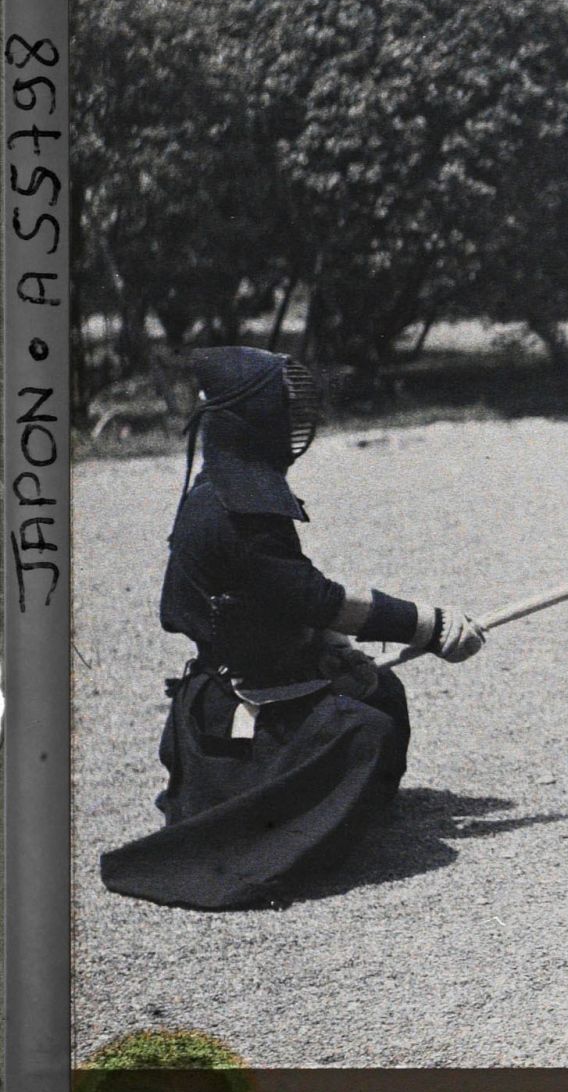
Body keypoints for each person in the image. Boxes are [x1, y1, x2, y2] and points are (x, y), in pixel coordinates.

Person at [100, 346, 486, 910]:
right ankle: (285, 827)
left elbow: (280, 603)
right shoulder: (231, 512)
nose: (293, 421)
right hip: (237, 707)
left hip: (255, 677)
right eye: (280, 407)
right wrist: (429, 625)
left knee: (381, 691)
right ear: (248, 420)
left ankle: (331, 810)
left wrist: (328, 650)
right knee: (367, 731)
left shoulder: (228, 496)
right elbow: (314, 598)